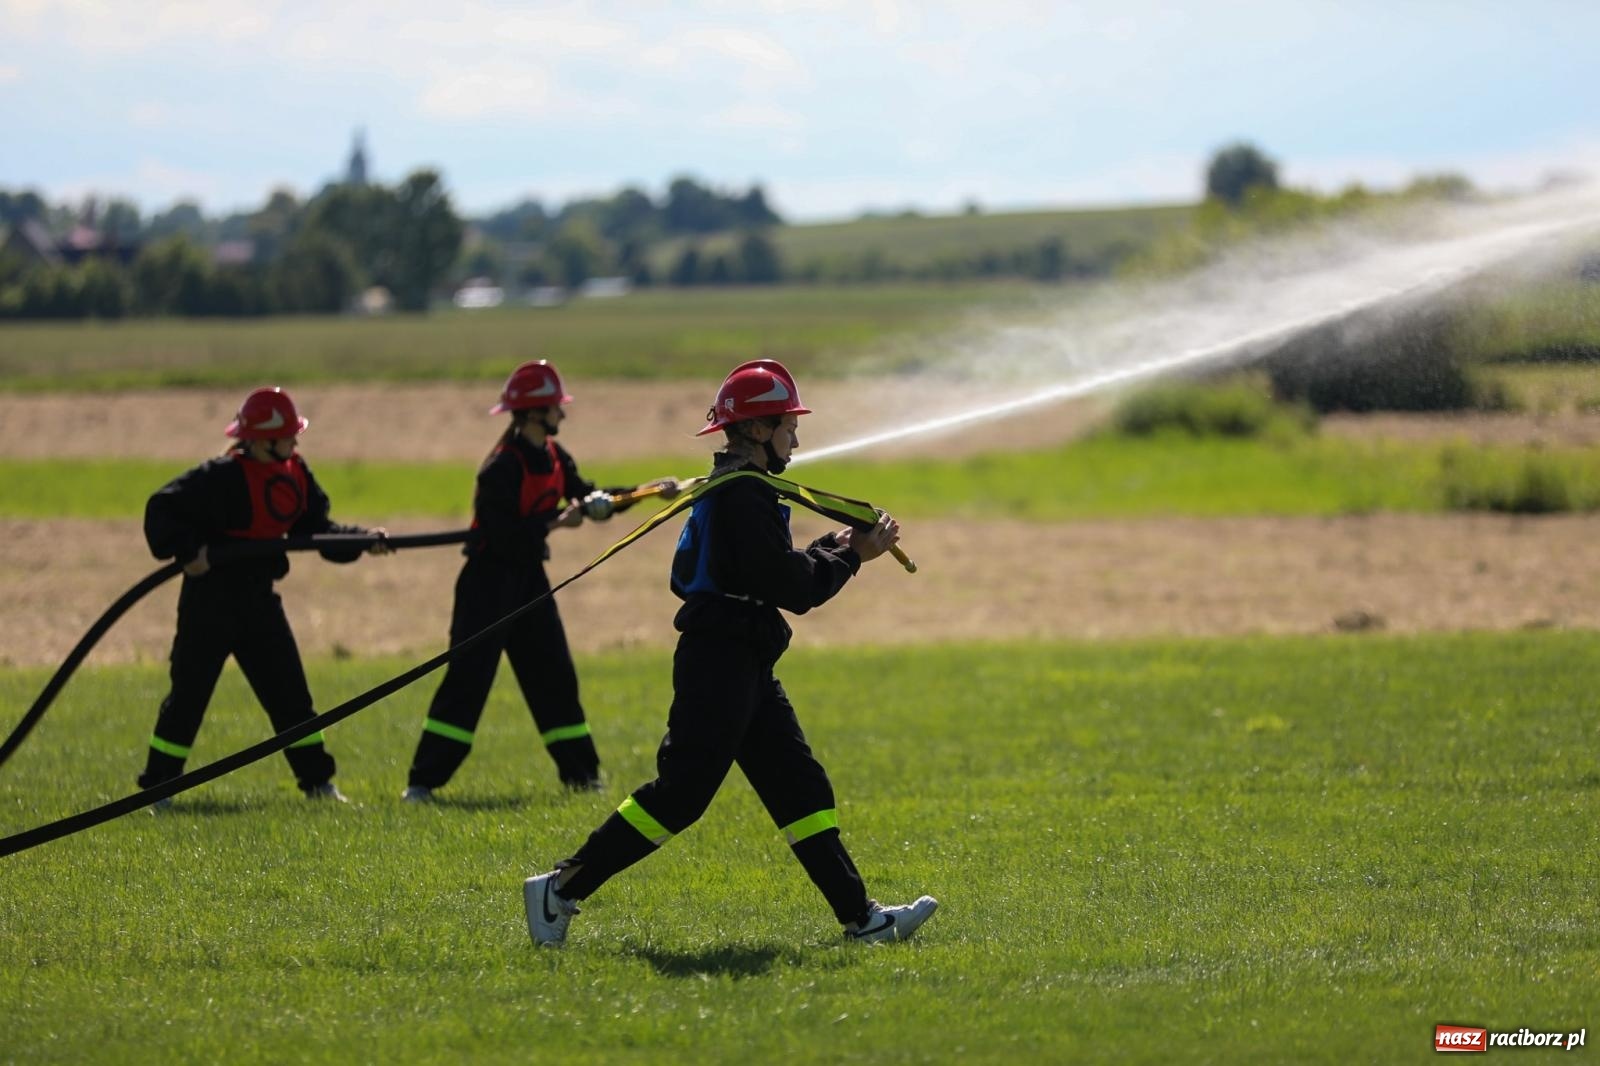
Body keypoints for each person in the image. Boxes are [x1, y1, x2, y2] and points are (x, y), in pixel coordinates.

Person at [521, 358, 938, 946]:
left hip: (743, 658)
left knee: (799, 787)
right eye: (789, 426)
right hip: (721, 664)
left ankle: (861, 919)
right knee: (682, 795)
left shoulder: (744, 489)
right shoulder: (743, 495)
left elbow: (762, 571)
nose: (797, 437)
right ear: (761, 431)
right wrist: (852, 557)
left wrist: (830, 544)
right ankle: (560, 888)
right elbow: (790, 589)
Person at [403, 359, 679, 800]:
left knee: (554, 676)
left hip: (529, 581)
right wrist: (553, 526)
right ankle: (422, 783)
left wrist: (645, 491)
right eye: (555, 408)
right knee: (468, 681)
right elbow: (502, 535)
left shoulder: (553, 456)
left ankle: (583, 776)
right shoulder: (500, 468)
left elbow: (589, 499)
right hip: (487, 585)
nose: (562, 415)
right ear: (533, 413)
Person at [141, 386, 391, 806]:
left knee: (291, 696)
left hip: (258, 602)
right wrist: (188, 551)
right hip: (210, 602)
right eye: (288, 435)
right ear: (259, 441)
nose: (296, 442)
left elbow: (318, 533)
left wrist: (364, 540)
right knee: (189, 696)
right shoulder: (218, 477)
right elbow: (160, 510)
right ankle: (158, 788)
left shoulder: (295, 474)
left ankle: (318, 785)